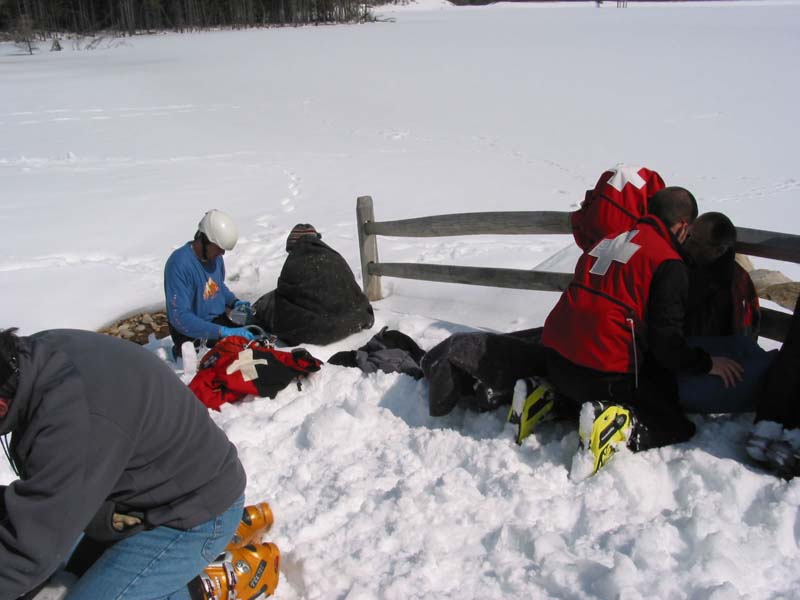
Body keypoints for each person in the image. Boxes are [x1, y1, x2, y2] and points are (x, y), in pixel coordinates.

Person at [0, 328, 246, 599]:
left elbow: (31, 550)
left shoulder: (74, 420)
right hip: (139, 492)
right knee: (70, 572)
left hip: (191, 513)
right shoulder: (28, 358)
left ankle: (206, 585)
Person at [540, 187, 744, 475]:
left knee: (590, 380)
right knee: (674, 424)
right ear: (683, 226)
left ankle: (548, 399)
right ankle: (621, 427)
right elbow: (667, 346)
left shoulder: (610, 239)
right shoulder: (667, 262)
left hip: (555, 360)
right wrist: (707, 363)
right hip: (602, 373)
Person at [678, 211, 774, 414]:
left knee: (753, 355)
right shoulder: (675, 270)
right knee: (763, 373)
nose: (687, 244)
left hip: (705, 358)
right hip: (684, 366)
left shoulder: (736, 282)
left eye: (696, 242)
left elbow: (747, 331)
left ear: (719, 250)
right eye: (688, 236)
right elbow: (665, 340)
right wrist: (707, 363)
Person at [251, 223, 374, 346]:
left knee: (271, 304)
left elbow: (283, 296)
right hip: (353, 320)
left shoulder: (295, 262)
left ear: (293, 245)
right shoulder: (334, 256)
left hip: (317, 331)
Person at [165, 209, 254, 358]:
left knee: (254, 339)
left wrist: (234, 302)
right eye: (219, 248)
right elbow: (179, 317)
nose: (222, 253)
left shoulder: (215, 257)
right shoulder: (179, 264)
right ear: (204, 240)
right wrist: (222, 332)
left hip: (216, 322)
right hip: (191, 333)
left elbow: (217, 286)